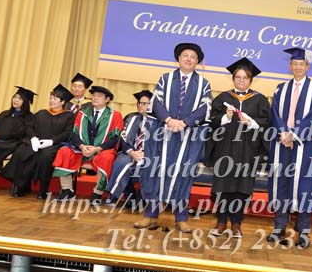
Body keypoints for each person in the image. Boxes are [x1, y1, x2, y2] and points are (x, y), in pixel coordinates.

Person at [136, 43, 211, 233]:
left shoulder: (203, 84)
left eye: (192, 56)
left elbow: (204, 108)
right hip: (163, 133)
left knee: (183, 174)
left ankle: (181, 218)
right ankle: (150, 215)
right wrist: (169, 120)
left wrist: (184, 123)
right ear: (179, 58)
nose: (188, 59)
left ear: (197, 61)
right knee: (157, 172)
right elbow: (156, 102)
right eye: (185, 55)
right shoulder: (166, 79)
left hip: (188, 136)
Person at [205, 57, 271, 238]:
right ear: (233, 78)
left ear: (250, 80)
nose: (241, 80)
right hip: (225, 150)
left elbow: (267, 123)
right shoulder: (223, 98)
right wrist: (225, 118)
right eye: (238, 77)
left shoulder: (259, 100)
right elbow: (211, 122)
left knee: (241, 189)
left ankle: (236, 223)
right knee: (222, 187)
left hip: (247, 151)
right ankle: (220, 222)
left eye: (245, 77)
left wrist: (252, 122)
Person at [267, 47, 312, 249]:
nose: (298, 67)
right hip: (282, 143)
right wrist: (283, 133)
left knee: (305, 185)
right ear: (290, 66)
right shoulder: (280, 88)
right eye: (295, 64)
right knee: (281, 182)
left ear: (307, 66)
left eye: (302, 64)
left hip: (305, 145)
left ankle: (304, 230)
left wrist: (294, 134)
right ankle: (279, 227)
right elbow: (275, 113)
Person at [51, 85, 124, 201]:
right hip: (82, 149)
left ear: (107, 99)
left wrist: (97, 149)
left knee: (107, 158)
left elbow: (115, 138)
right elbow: (74, 133)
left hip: (101, 150)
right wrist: (81, 146)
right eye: (94, 95)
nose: (95, 98)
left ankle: (97, 193)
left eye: (99, 96)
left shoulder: (115, 115)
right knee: (64, 151)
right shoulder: (82, 113)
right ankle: (67, 190)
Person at [2, 84, 74, 198]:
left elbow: (67, 133)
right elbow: (29, 126)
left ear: (63, 102)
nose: (51, 101)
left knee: (45, 156)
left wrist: (51, 141)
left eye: (55, 99)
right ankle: (22, 186)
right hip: (37, 142)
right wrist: (34, 138)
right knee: (22, 151)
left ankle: (43, 190)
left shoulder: (69, 116)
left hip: (54, 145)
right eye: (51, 98)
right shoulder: (42, 113)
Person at [102, 90, 155, 207]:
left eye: (144, 103)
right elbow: (123, 139)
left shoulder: (160, 123)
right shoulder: (131, 119)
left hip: (149, 155)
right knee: (122, 162)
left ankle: (129, 197)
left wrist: (145, 153)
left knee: (142, 166)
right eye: (139, 103)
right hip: (130, 152)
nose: (140, 105)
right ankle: (116, 196)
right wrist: (132, 152)